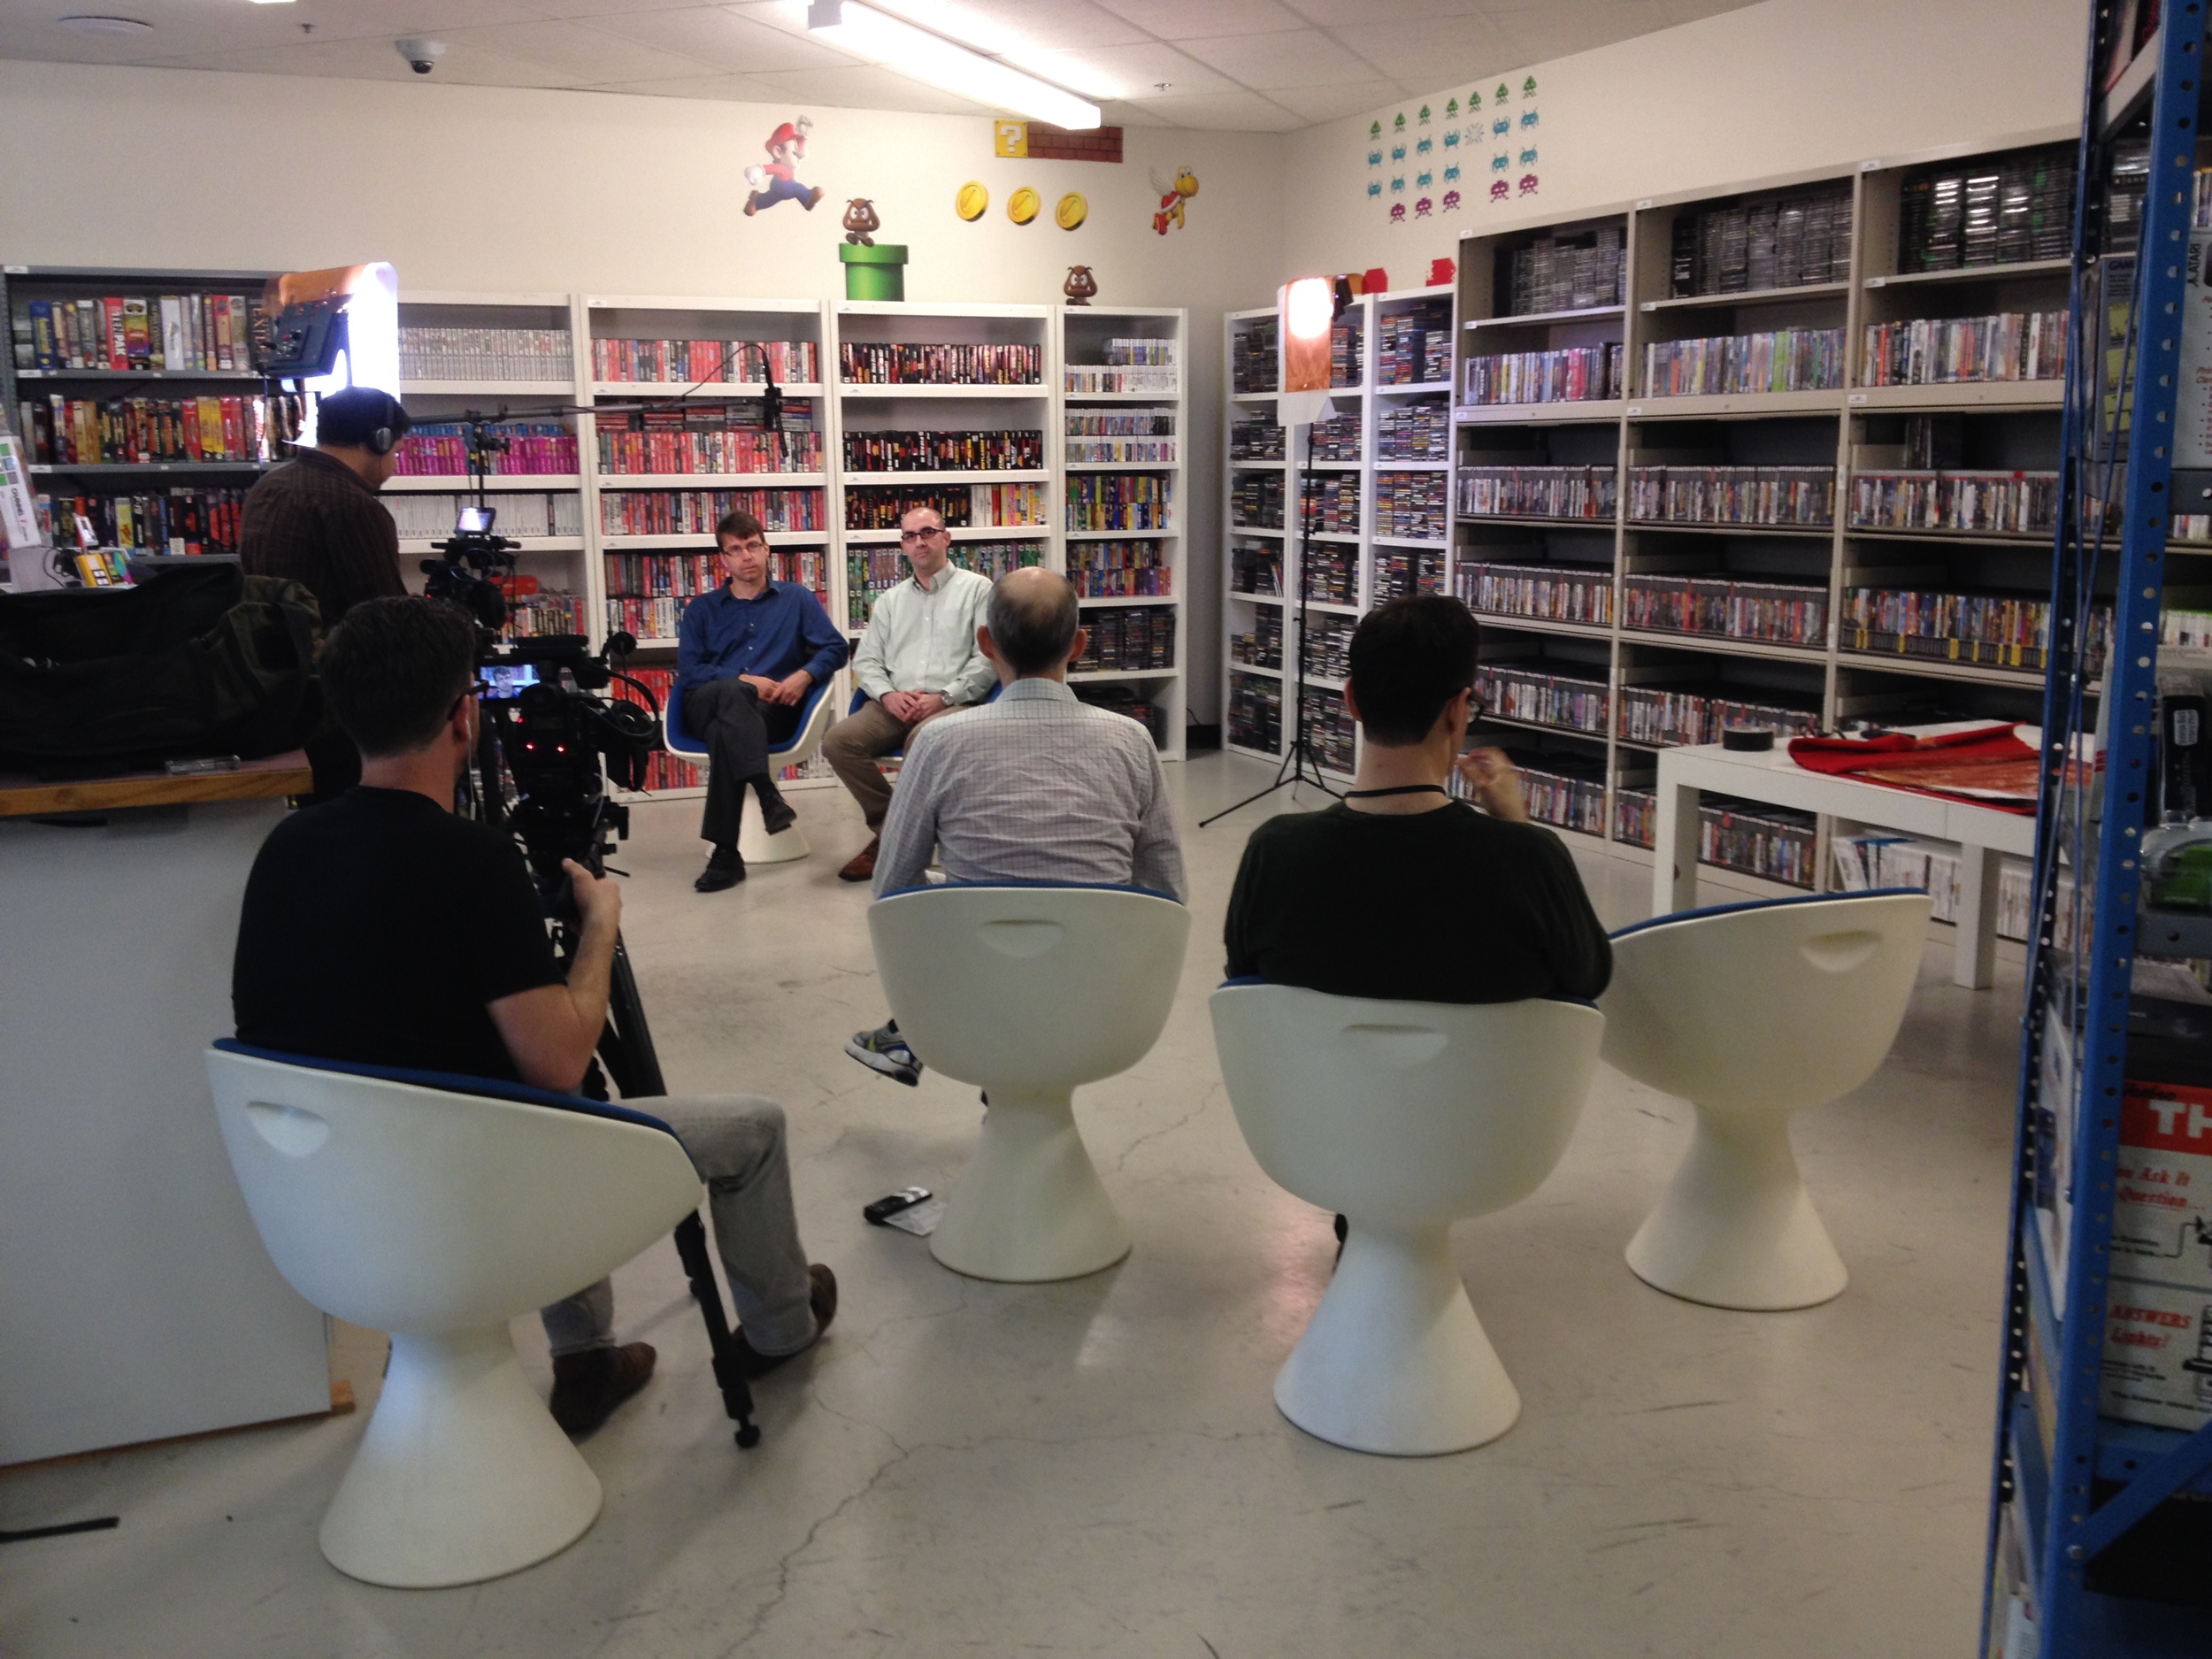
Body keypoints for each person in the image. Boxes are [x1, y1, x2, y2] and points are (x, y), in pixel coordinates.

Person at [232, 596, 836, 1439]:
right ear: (462, 717)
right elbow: (556, 1065)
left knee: (525, 1105)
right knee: (746, 1128)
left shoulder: (281, 852)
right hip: (484, 1195)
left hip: (331, 1207)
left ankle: (587, 1357)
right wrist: (598, 927)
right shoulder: (475, 865)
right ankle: (779, 1331)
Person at [846, 567, 1186, 1086]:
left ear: (986, 644)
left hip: (979, 979)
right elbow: (1166, 891)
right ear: (1078, 645)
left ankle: (910, 1035)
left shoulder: (940, 743)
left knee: (941, 893)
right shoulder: (1132, 742)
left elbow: (892, 885)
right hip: (1095, 988)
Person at [1224, 595, 1612, 1004]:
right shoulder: (1530, 860)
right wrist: (1517, 826)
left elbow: (1244, 980)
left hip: (1320, 1070)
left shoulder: (1273, 852)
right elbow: (1592, 976)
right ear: (1457, 710)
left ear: (1352, 699)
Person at [821, 505, 995, 883]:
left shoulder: (979, 590)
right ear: (902, 546)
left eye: (928, 532)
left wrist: (945, 697)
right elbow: (866, 661)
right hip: (893, 704)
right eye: (910, 536)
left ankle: (903, 841)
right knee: (838, 741)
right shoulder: (890, 601)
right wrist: (887, 695)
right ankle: (891, 831)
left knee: (924, 739)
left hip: (952, 703)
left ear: (946, 538)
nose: (920, 542)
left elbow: (988, 658)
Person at [676, 509, 848, 892]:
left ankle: (726, 854)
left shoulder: (797, 599)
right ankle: (768, 793)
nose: (746, 556)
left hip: (772, 713)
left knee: (728, 731)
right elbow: (689, 670)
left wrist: (805, 675)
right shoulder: (702, 610)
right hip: (705, 705)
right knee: (734, 694)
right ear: (723, 559)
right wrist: (744, 680)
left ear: (767, 549)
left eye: (752, 546)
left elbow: (835, 648)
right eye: (735, 549)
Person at [238, 385, 411, 629]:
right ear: (379, 441)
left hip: (265, 657)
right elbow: (388, 616)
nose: (394, 468)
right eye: (396, 453)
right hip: (332, 660)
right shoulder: (355, 508)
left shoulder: (267, 485)